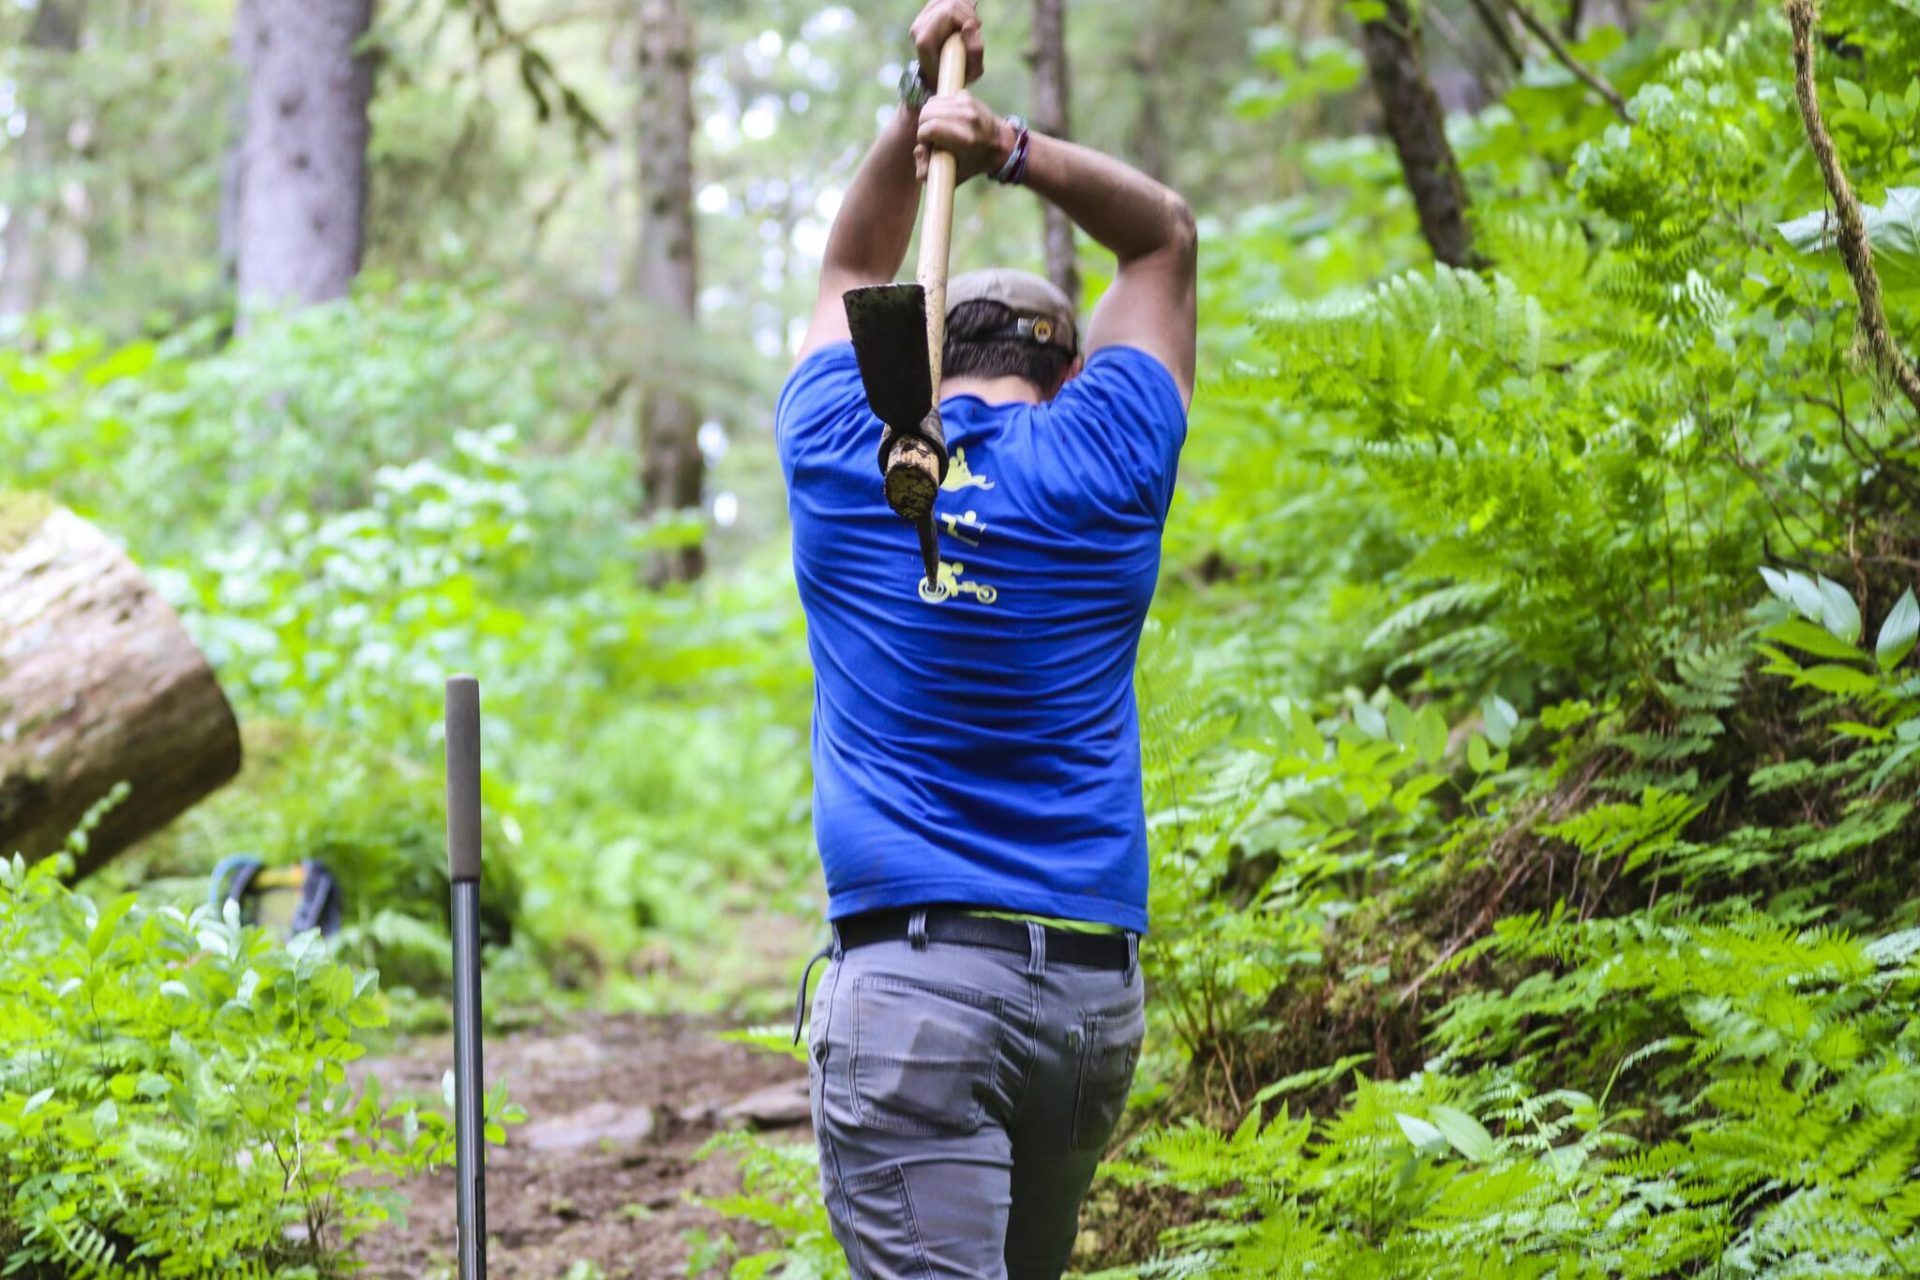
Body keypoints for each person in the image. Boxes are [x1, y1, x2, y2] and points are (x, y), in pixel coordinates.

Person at [775, 0, 1196, 1274]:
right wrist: (1008, 143)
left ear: (913, 348)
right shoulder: (1109, 456)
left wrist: (917, 101)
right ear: (1072, 370)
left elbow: (849, 272)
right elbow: (1164, 239)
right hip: (1083, 1003)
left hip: (909, 995)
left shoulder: (846, 451)